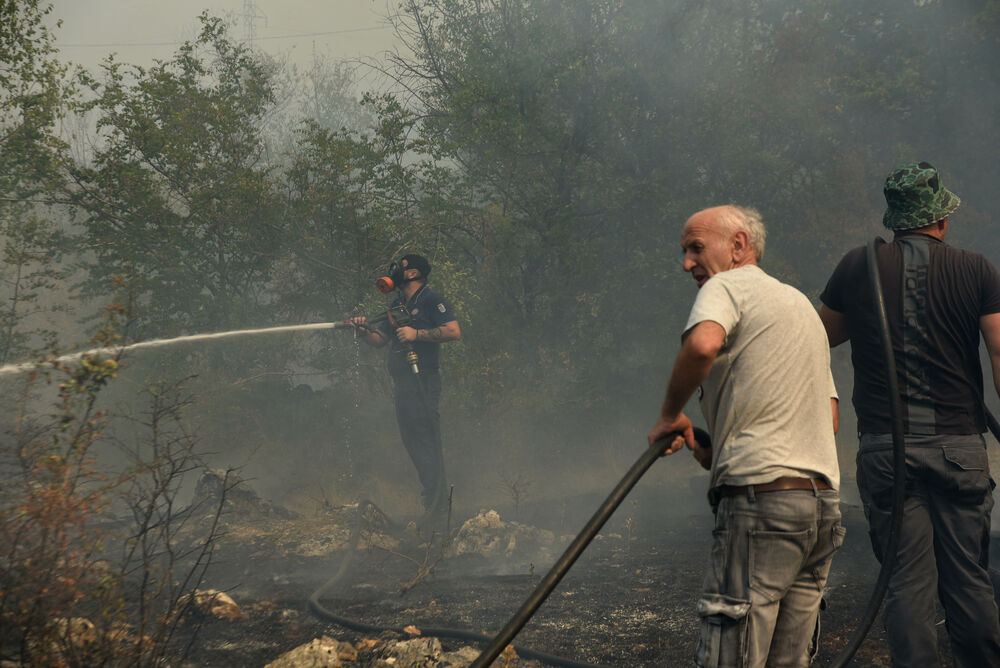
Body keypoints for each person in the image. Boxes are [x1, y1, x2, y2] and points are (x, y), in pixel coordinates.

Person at [819, 162, 1000, 667]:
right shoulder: (977, 268)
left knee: (905, 582)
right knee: (968, 579)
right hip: (960, 450)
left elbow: (817, 340)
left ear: (894, 221)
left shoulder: (858, 266)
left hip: (886, 451)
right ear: (941, 220)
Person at [648, 205, 843, 667]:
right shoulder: (799, 306)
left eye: (696, 248)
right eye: (684, 251)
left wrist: (669, 416)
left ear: (738, 245)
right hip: (819, 509)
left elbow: (701, 345)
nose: (686, 263)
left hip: (760, 507)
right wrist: (708, 445)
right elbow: (827, 420)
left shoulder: (727, 286)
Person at [350, 254, 461, 518]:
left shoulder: (432, 300)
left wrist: (417, 334)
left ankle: (438, 505)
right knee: (412, 440)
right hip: (402, 382)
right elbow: (380, 340)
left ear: (412, 273)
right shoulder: (396, 303)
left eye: (399, 267)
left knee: (425, 437)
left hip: (423, 379)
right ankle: (432, 498)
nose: (393, 272)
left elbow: (453, 331)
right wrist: (363, 331)